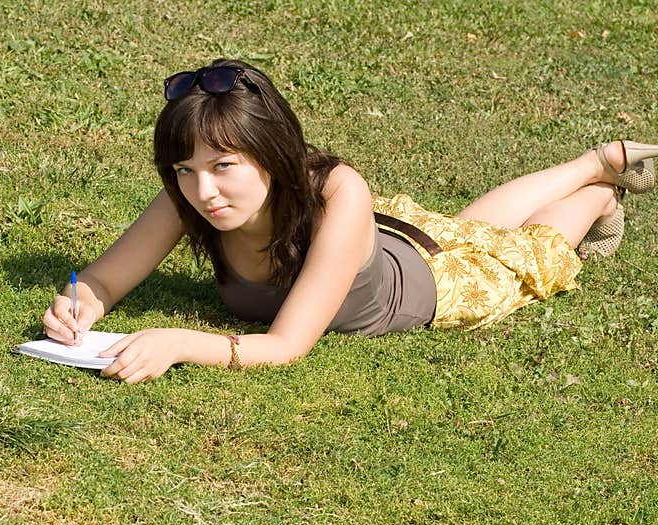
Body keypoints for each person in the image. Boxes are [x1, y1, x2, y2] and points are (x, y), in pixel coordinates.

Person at [42, 58, 657, 383]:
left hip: (433, 285)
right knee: (462, 226)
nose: (203, 190)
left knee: (523, 250)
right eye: (185, 169)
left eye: (224, 165)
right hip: (386, 239)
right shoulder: (191, 191)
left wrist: (179, 344)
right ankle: (595, 160)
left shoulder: (339, 192)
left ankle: (596, 191)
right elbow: (103, 280)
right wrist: (81, 306)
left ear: (272, 153)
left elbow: (283, 347)